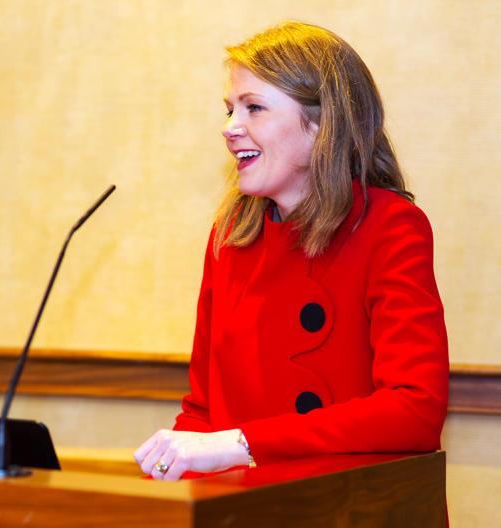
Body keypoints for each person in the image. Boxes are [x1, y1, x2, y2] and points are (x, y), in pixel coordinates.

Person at [134, 22, 449, 481]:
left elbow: (414, 410)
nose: (229, 128)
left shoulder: (389, 227)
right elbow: (202, 413)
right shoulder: (231, 237)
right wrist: (164, 482)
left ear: (322, 124)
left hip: (349, 504)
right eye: (229, 110)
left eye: (254, 108)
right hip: (250, 504)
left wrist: (243, 444)